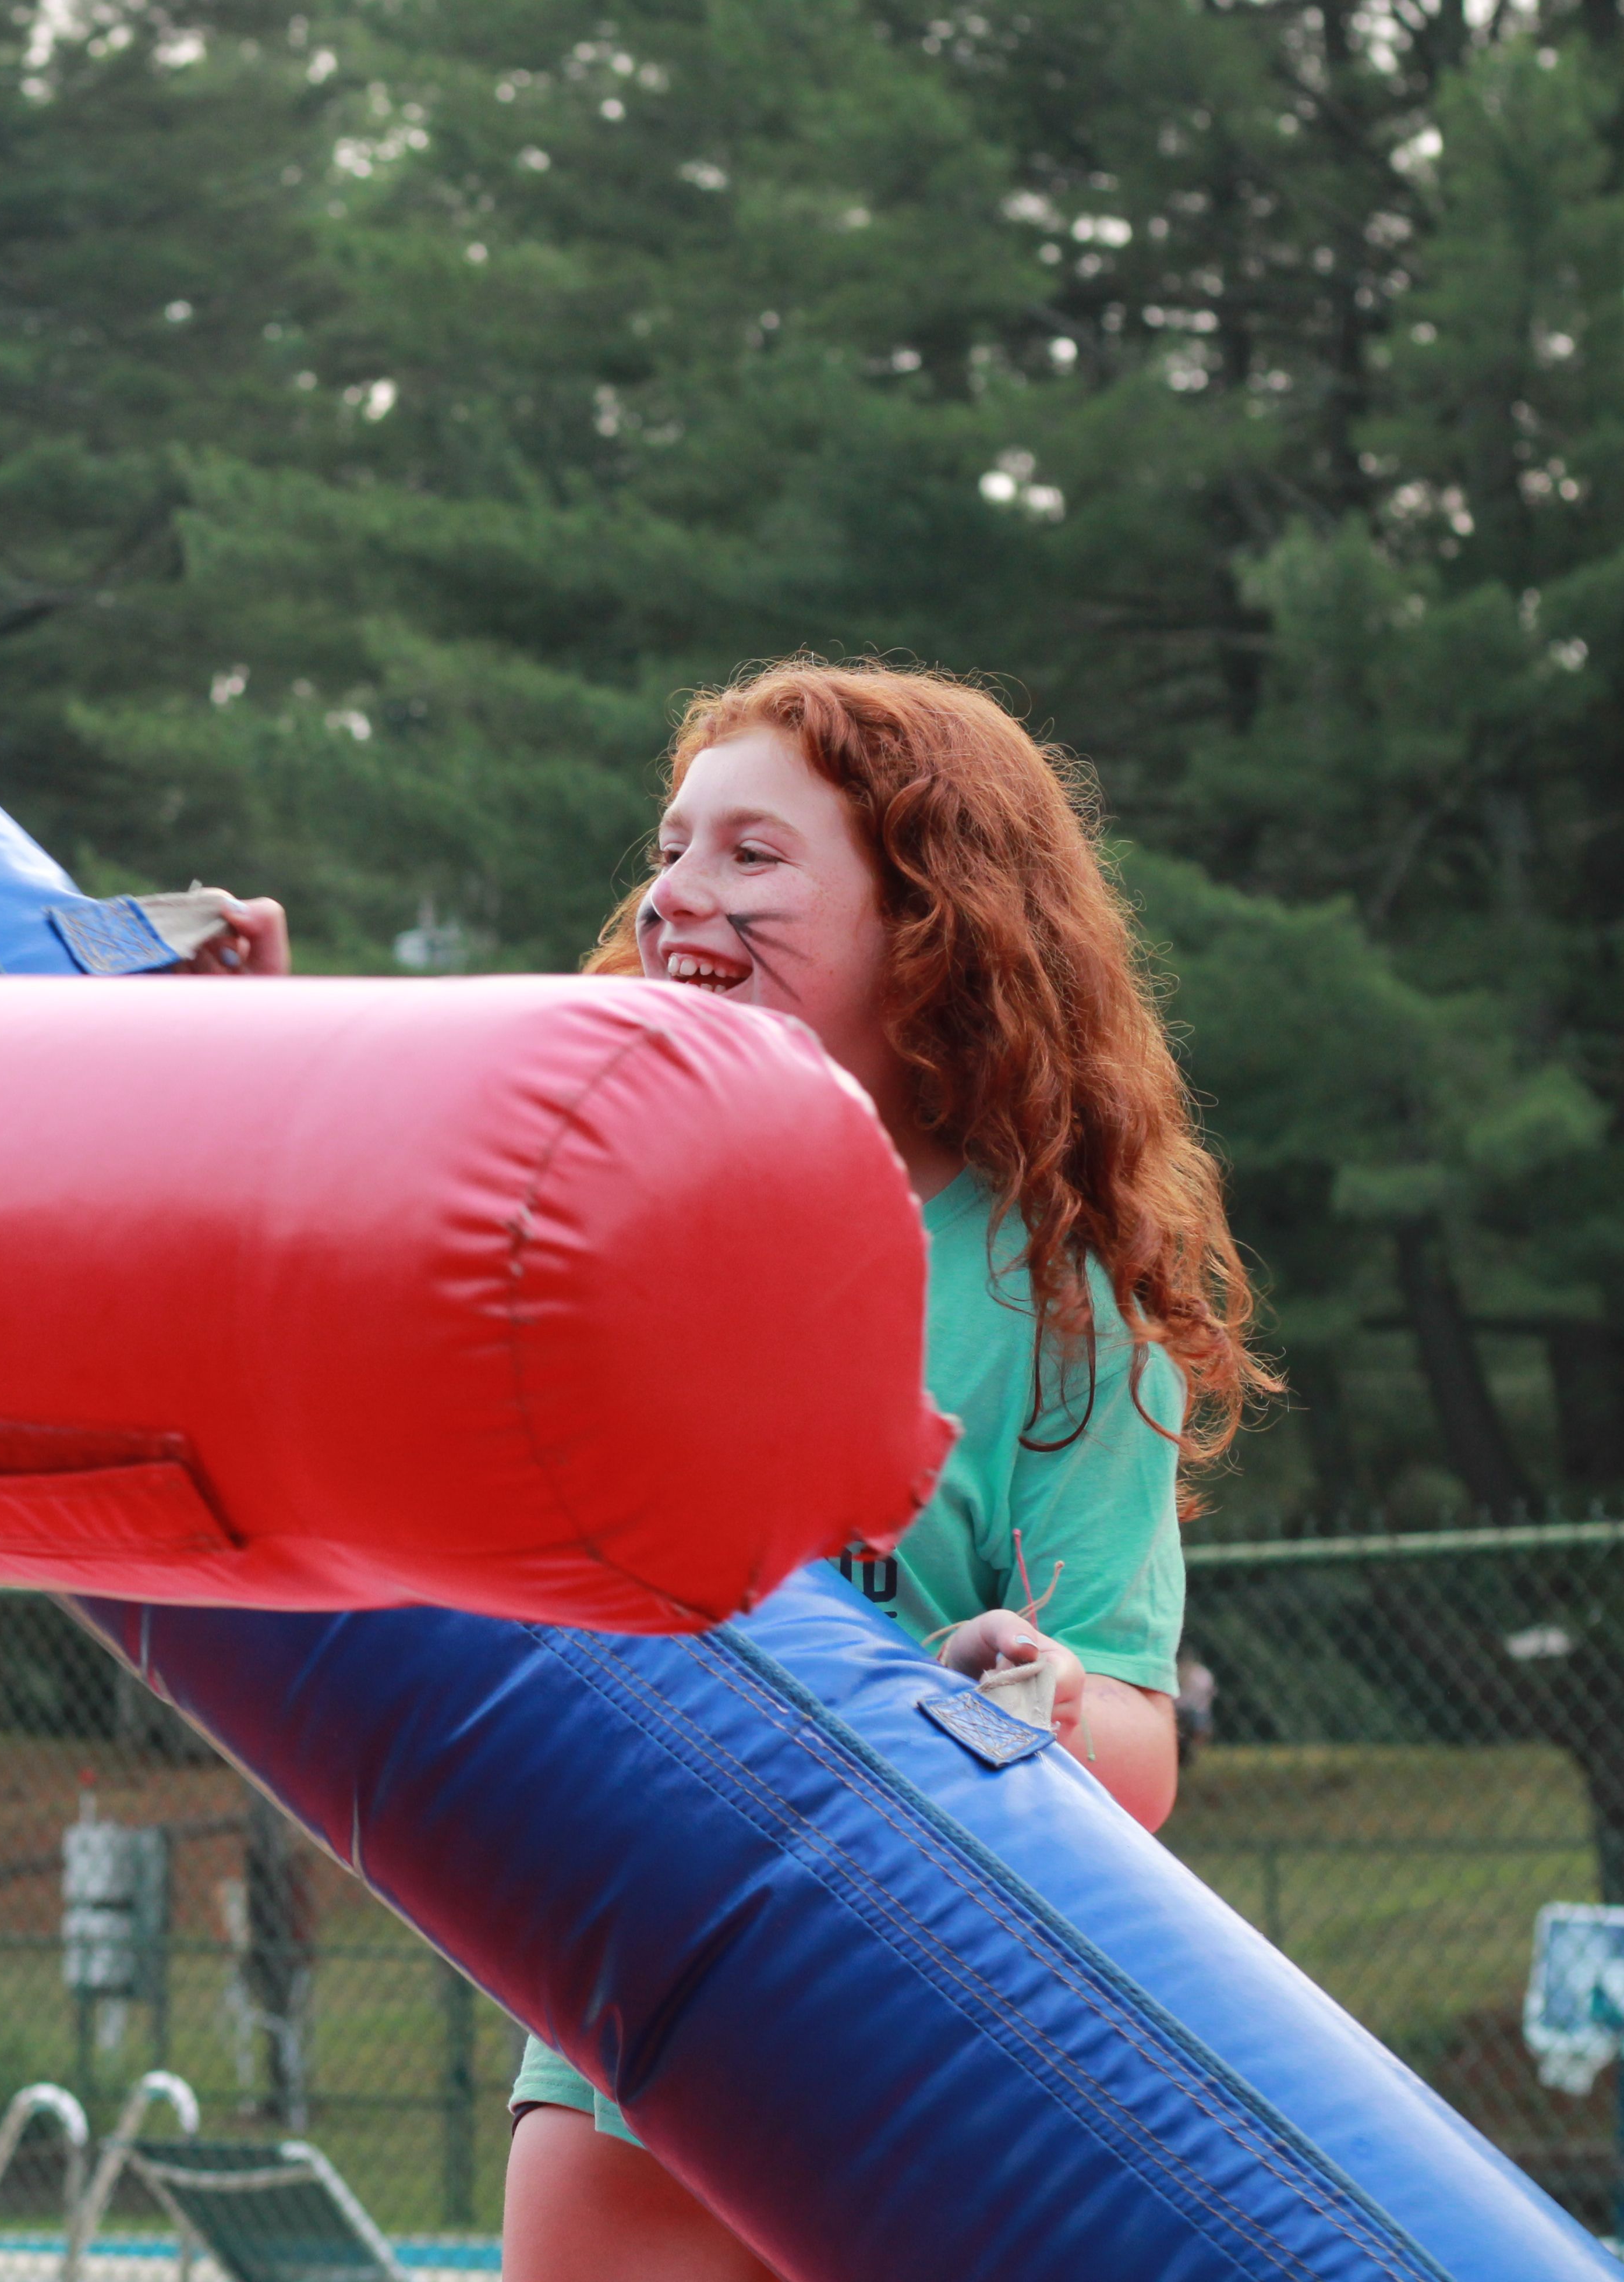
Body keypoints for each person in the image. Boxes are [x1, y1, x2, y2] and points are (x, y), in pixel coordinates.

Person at [496, 661, 1271, 2281]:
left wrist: (1049, 1692)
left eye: (751, 856)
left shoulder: (1057, 1309)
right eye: (672, 843)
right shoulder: (588, 1223)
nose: (675, 893)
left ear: (932, 923)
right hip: (645, 2009)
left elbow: (1136, 1748)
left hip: (936, 2028)